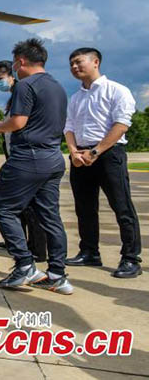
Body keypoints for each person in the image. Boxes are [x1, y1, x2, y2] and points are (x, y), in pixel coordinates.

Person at [0, 38, 71, 294]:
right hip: (53, 157)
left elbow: (18, 122)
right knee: (50, 217)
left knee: (2, 208)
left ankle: (25, 265)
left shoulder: (25, 85)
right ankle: (57, 274)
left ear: (20, 61)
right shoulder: (57, 87)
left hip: (28, 158)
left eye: (14, 64)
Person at [63, 48, 142, 278]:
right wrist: (73, 152)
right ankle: (89, 252)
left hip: (108, 154)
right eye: (71, 64)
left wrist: (96, 151)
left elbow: (121, 125)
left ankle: (131, 258)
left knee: (122, 207)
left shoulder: (117, 90)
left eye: (78, 62)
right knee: (84, 208)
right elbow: (69, 127)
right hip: (80, 155)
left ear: (95, 62)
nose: (74, 67)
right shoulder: (75, 98)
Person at [0, 60, 48, 262]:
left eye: (1, 78)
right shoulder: (12, 98)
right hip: (13, 155)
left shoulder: (22, 93)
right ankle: (18, 241)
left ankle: (37, 249)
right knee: (21, 207)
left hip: (26, 158)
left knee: (31, 207)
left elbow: (20, 123)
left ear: (12, 75)